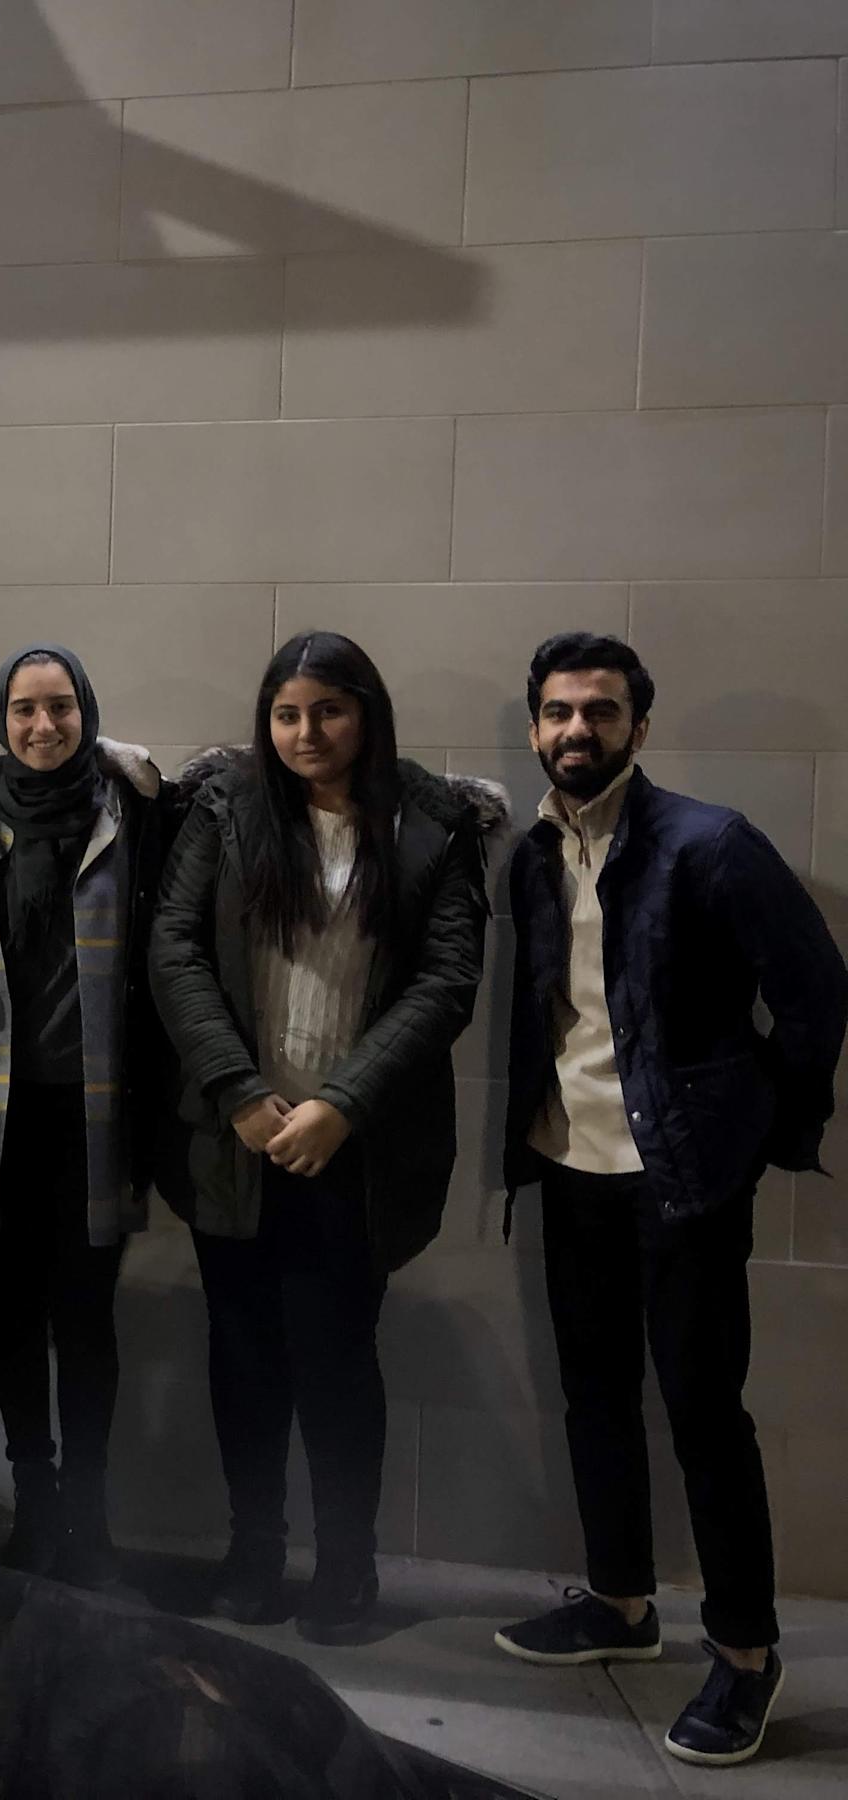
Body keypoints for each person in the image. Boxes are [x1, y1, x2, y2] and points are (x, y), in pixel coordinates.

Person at [492, 633, 845, 1768]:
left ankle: (744, 1655)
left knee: (703, 1414)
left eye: (599, 711)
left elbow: (815, 996)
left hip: (682, 1183)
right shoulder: (531, 852)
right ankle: (620, 1604)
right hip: (569, 1167)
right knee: (593, 1396)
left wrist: (760, 1130)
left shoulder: (711, 845)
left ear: (639, 726)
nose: (575, 731)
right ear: (536, 725)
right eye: (556, 712)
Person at [150, 630, 495, 1643]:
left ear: (366, 714)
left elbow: (447, 980)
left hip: (358, 1150)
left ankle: (348, 1568)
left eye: (328, 712)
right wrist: (240, 1090)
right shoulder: (225, 808)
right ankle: (252, 1551)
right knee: (243, 1357)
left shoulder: (433, 822)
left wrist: (341, 1103)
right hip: (234, 1139)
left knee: (338, 1362)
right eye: (288, 714)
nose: (307, 732)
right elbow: (174, 951)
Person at [0, 644, 181, 1588]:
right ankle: (33, 1504)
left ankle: (87, 1516)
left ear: (88, 710)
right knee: (12, 1313)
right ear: (0, 718)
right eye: (22, 710)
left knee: (86, 1319)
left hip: (95, 1114)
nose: (42, 727)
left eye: (60, 708)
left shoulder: (132, 810)